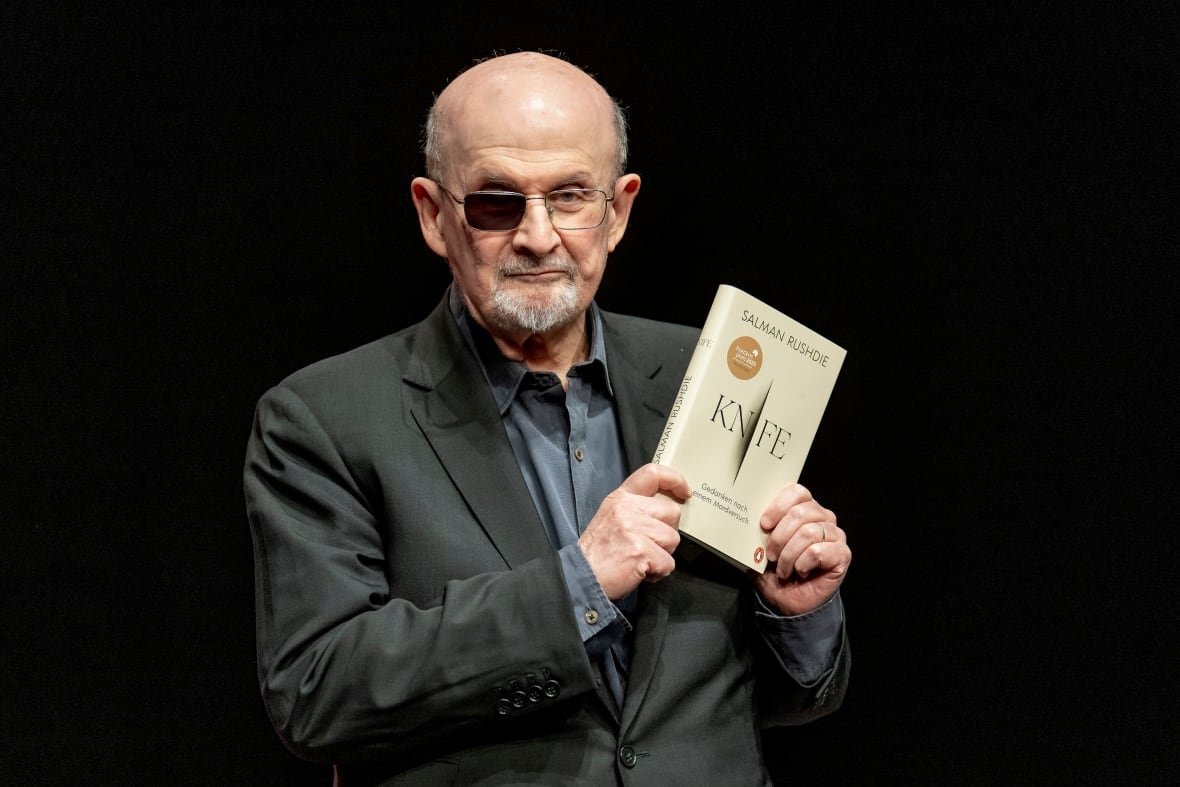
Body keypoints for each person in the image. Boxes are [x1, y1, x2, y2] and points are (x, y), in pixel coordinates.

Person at [245, 51, 851, 785]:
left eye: (569, 196)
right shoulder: (325, 416)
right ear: (435, 215)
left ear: (618, 210)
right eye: (497, 202)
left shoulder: (711, 373)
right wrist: (577, 586)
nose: (538, 236)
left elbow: (767, 700)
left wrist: (796, 611)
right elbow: (317, 694)